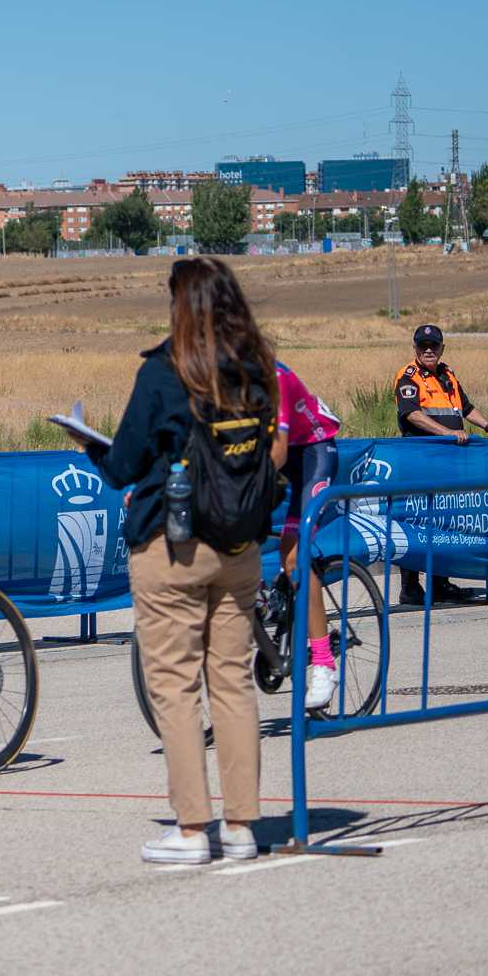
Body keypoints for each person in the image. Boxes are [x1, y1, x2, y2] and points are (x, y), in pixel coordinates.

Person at [81, 257, 275, 865]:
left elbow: (124, 467)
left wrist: (89, 442)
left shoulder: (166, 373)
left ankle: (193, 829)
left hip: (175, 546)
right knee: (233, 684)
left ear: (179, 306)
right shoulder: (257, 368)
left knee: (174, 686)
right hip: (241, 545)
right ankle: (242, 825)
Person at [394, 324, 488, 606]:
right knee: (418, 523)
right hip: (421, 462)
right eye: (423, 346)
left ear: (442, 348)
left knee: (444, 523)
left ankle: (440, 584)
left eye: (434, 345)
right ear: (415, 349)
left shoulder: (448, 375)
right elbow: (412, 415)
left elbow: (466, 408)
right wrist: (447, 434)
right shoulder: (408, 377)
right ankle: (410, 588)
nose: (429, 350)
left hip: (448, 464)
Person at [269, 360, 343, 710]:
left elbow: (278, 452)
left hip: (313, 451)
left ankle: (324, 664)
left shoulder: (273, 376)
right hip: (274, 454)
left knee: (295, 557)